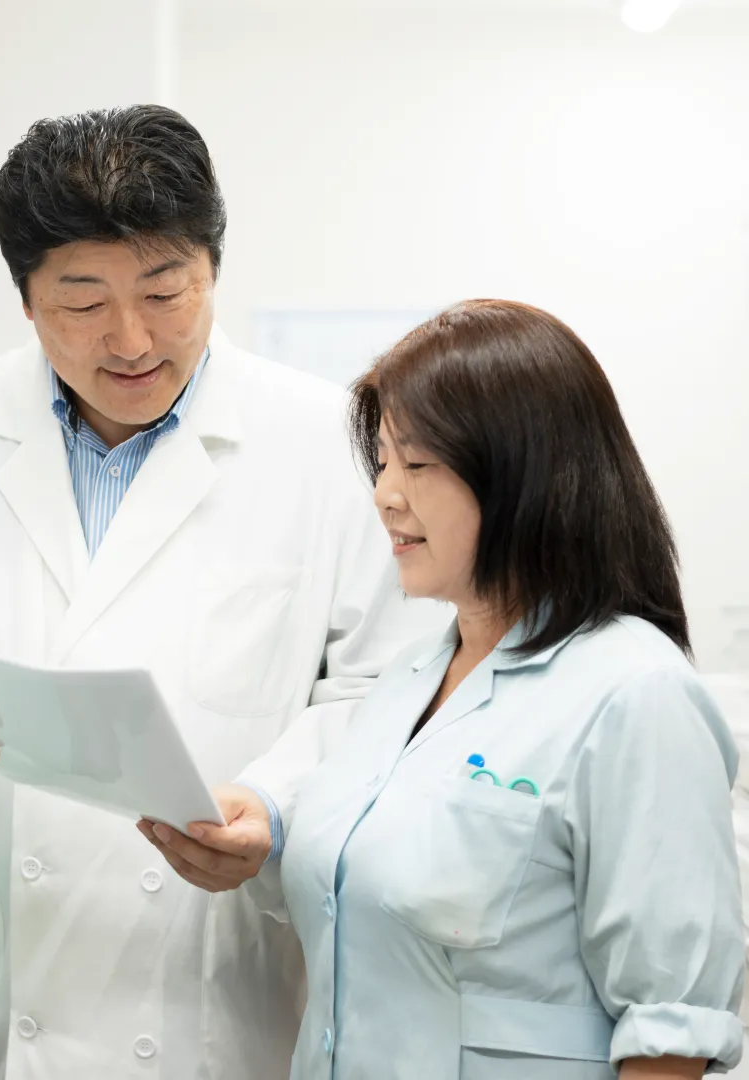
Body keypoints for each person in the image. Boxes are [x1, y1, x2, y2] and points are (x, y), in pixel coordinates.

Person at [0, 105, 442, 1080]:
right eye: (81, 302)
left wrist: (274, 805)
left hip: (233, 1000)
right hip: (21, 1005)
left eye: (165, 292)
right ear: (25, 299)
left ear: (213, 272)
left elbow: (387, 688)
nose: (130, 339)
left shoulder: (323, 440)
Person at [145, 301, 745, 1079]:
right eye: (383, 463)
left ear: (523, 473)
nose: (385, 495)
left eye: (418, 465)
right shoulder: (407, 683)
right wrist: (254, 841)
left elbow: (671, 1032)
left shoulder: (636, 694)